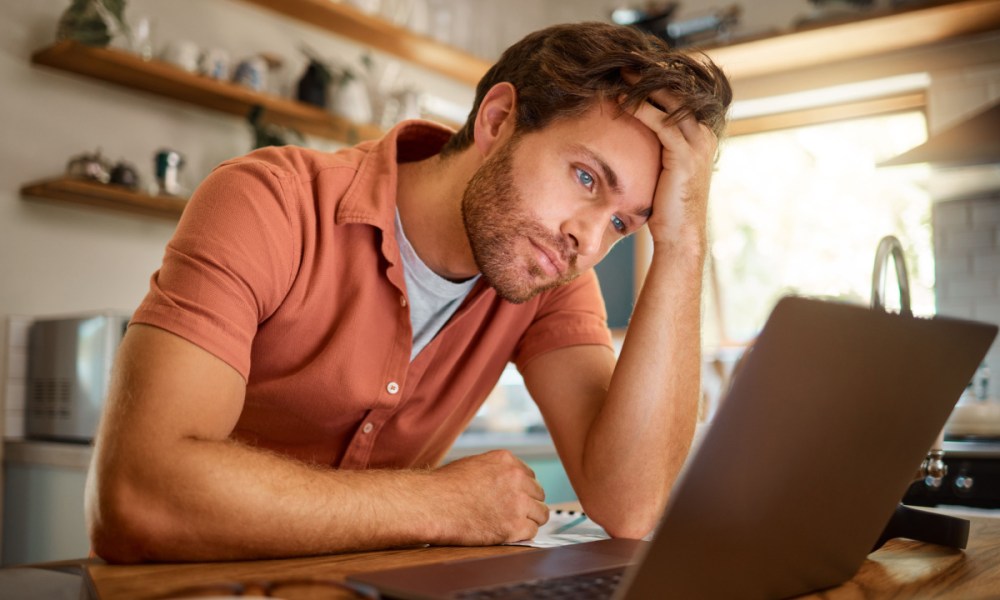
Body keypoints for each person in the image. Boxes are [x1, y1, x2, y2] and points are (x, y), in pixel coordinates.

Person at [85, 21, 732, 563]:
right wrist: (440, 502)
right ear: (499, 119)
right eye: (587, 178)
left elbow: (631, 506)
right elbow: (138, 496)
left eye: (624, 222)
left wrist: (681, 244)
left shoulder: (551, 277)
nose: (587, 241)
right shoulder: (270, 202)